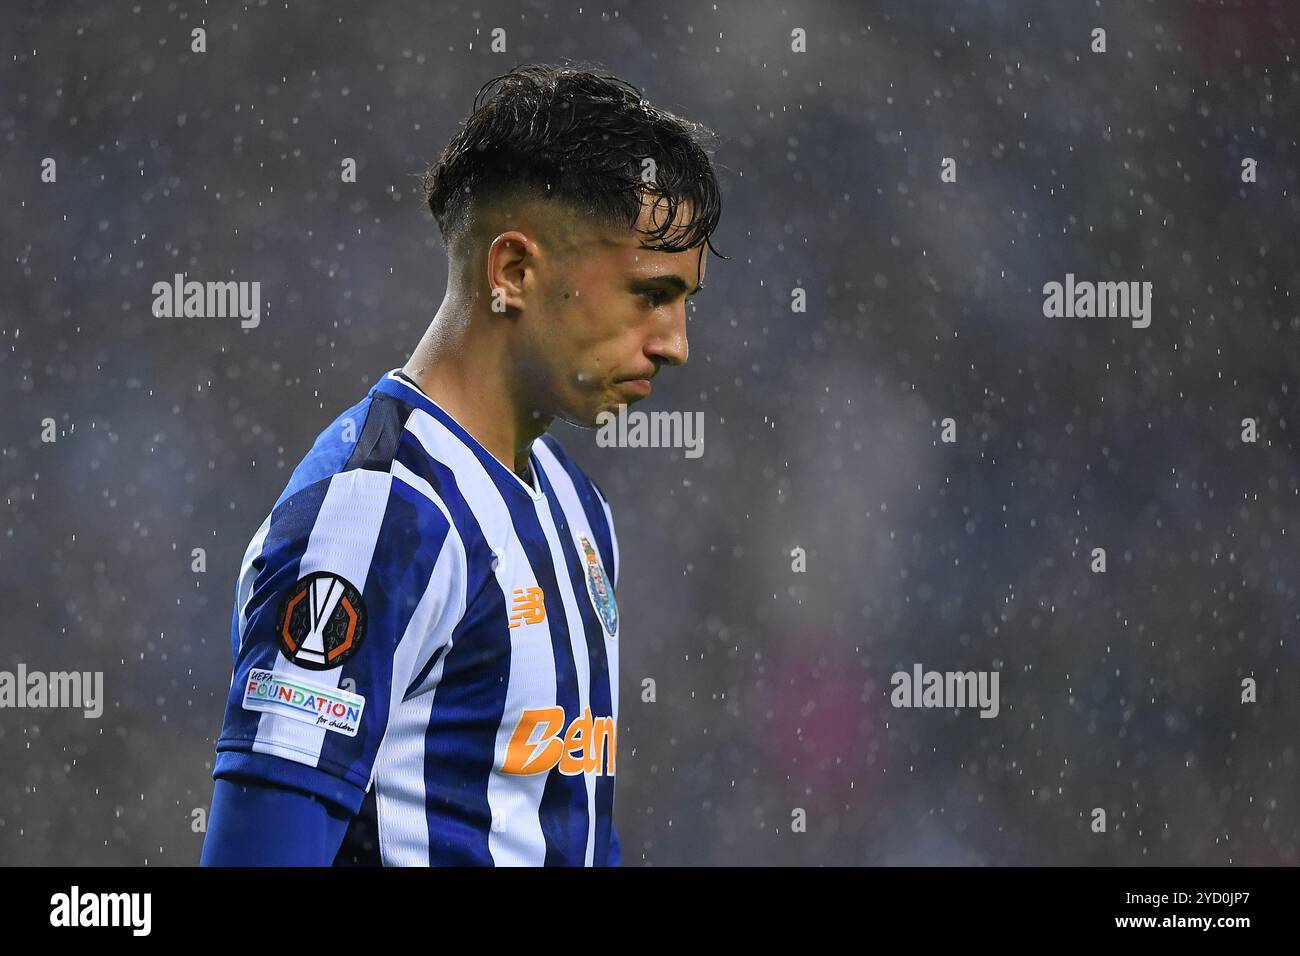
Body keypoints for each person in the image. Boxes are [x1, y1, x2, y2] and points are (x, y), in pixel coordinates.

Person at [200, 63, 723, 865]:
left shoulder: (578, 508)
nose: (675, 344)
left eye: (686, 303)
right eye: (649, 295)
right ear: (514, 272)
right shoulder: (375, 518)